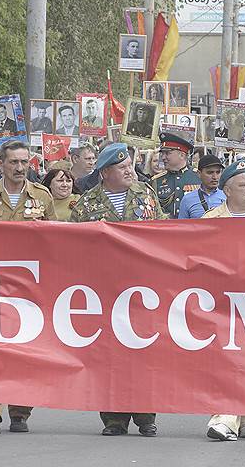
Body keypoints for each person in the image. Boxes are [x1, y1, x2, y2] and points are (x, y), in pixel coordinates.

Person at [69, 143, 163, 436]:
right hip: (105, 289)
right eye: (121, 167)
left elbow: (163, 232)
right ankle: (114, 418)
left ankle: (146, 415)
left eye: (130, 165)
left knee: (144, 350)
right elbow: (74, 246)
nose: (129, 170)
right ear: (105, 172)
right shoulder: (86, 204)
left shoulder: (146, 195)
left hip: (143, 288)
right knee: (109, 354)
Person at [0, 140, 56, 435]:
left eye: (24, 162)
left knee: (25, 350)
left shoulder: (42, 197)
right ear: (2, 165)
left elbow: (58, 241)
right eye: (14, 163)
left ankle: (20, 410)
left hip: (31, 289)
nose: (20, 168)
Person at [201, 158, 245, 441]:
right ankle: (224, 417)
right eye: (243, 185)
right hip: (221, 301)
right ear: (227, 190)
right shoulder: (210, 220)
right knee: (225, 360)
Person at [151, 133, 201, 219]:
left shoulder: (198, 177)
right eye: (162, 153)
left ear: (182, 155)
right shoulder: (156, 180)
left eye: (167, 153)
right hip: (166, 228)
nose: (163, 157)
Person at [178, 154, 225, 219]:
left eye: (218, 172)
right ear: (199, 174)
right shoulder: (187, 199)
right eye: (210, 172)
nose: (215, 177)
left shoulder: (227, 197)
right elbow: (182, 226)